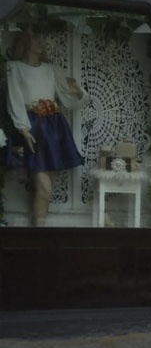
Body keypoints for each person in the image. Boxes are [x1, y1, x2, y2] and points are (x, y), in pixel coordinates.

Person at [4, 29, 87, 226]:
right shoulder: (14, 68)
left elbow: (69, 98)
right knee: (44, 188)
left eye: (42, 38)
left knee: (44, 191)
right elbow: (14, 98)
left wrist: (80, 93)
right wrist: (23, 128)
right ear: (26, 41)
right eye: (36, 38)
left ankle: (39, 236)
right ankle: (38, 238)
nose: (41, 42)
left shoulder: (52, 69)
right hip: (33, 129)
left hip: (54, 129)